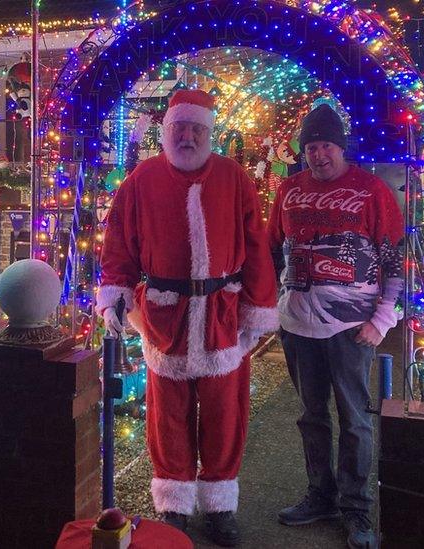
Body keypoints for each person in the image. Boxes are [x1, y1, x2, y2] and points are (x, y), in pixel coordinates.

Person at [98, 89, 278, 547]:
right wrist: (115, 291)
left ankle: (220, 504)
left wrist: (258, 308)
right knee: (167, 416)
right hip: (165, 316)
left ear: (209, 132)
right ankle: (174, 503)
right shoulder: (141, 179)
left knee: (225, 414)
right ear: (167, 130)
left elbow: (256, 245)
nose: (188, 135)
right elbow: (118, 238)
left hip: (222, 317)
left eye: (197, 128)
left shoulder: (235, 177)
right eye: (181, 127)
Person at [267, 104, 404, 549]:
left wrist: (382, 319)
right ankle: (320, 495)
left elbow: (395, 259)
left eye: (326, 145)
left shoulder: (371, 191)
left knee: (354, 419)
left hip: (351, 328)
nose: (318, 155)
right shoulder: (288, 190)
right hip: (297, 324)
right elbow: (272, 252)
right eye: (311, 147)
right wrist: (272, 308)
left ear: (341, 147)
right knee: (311, 416)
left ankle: (357, 509)